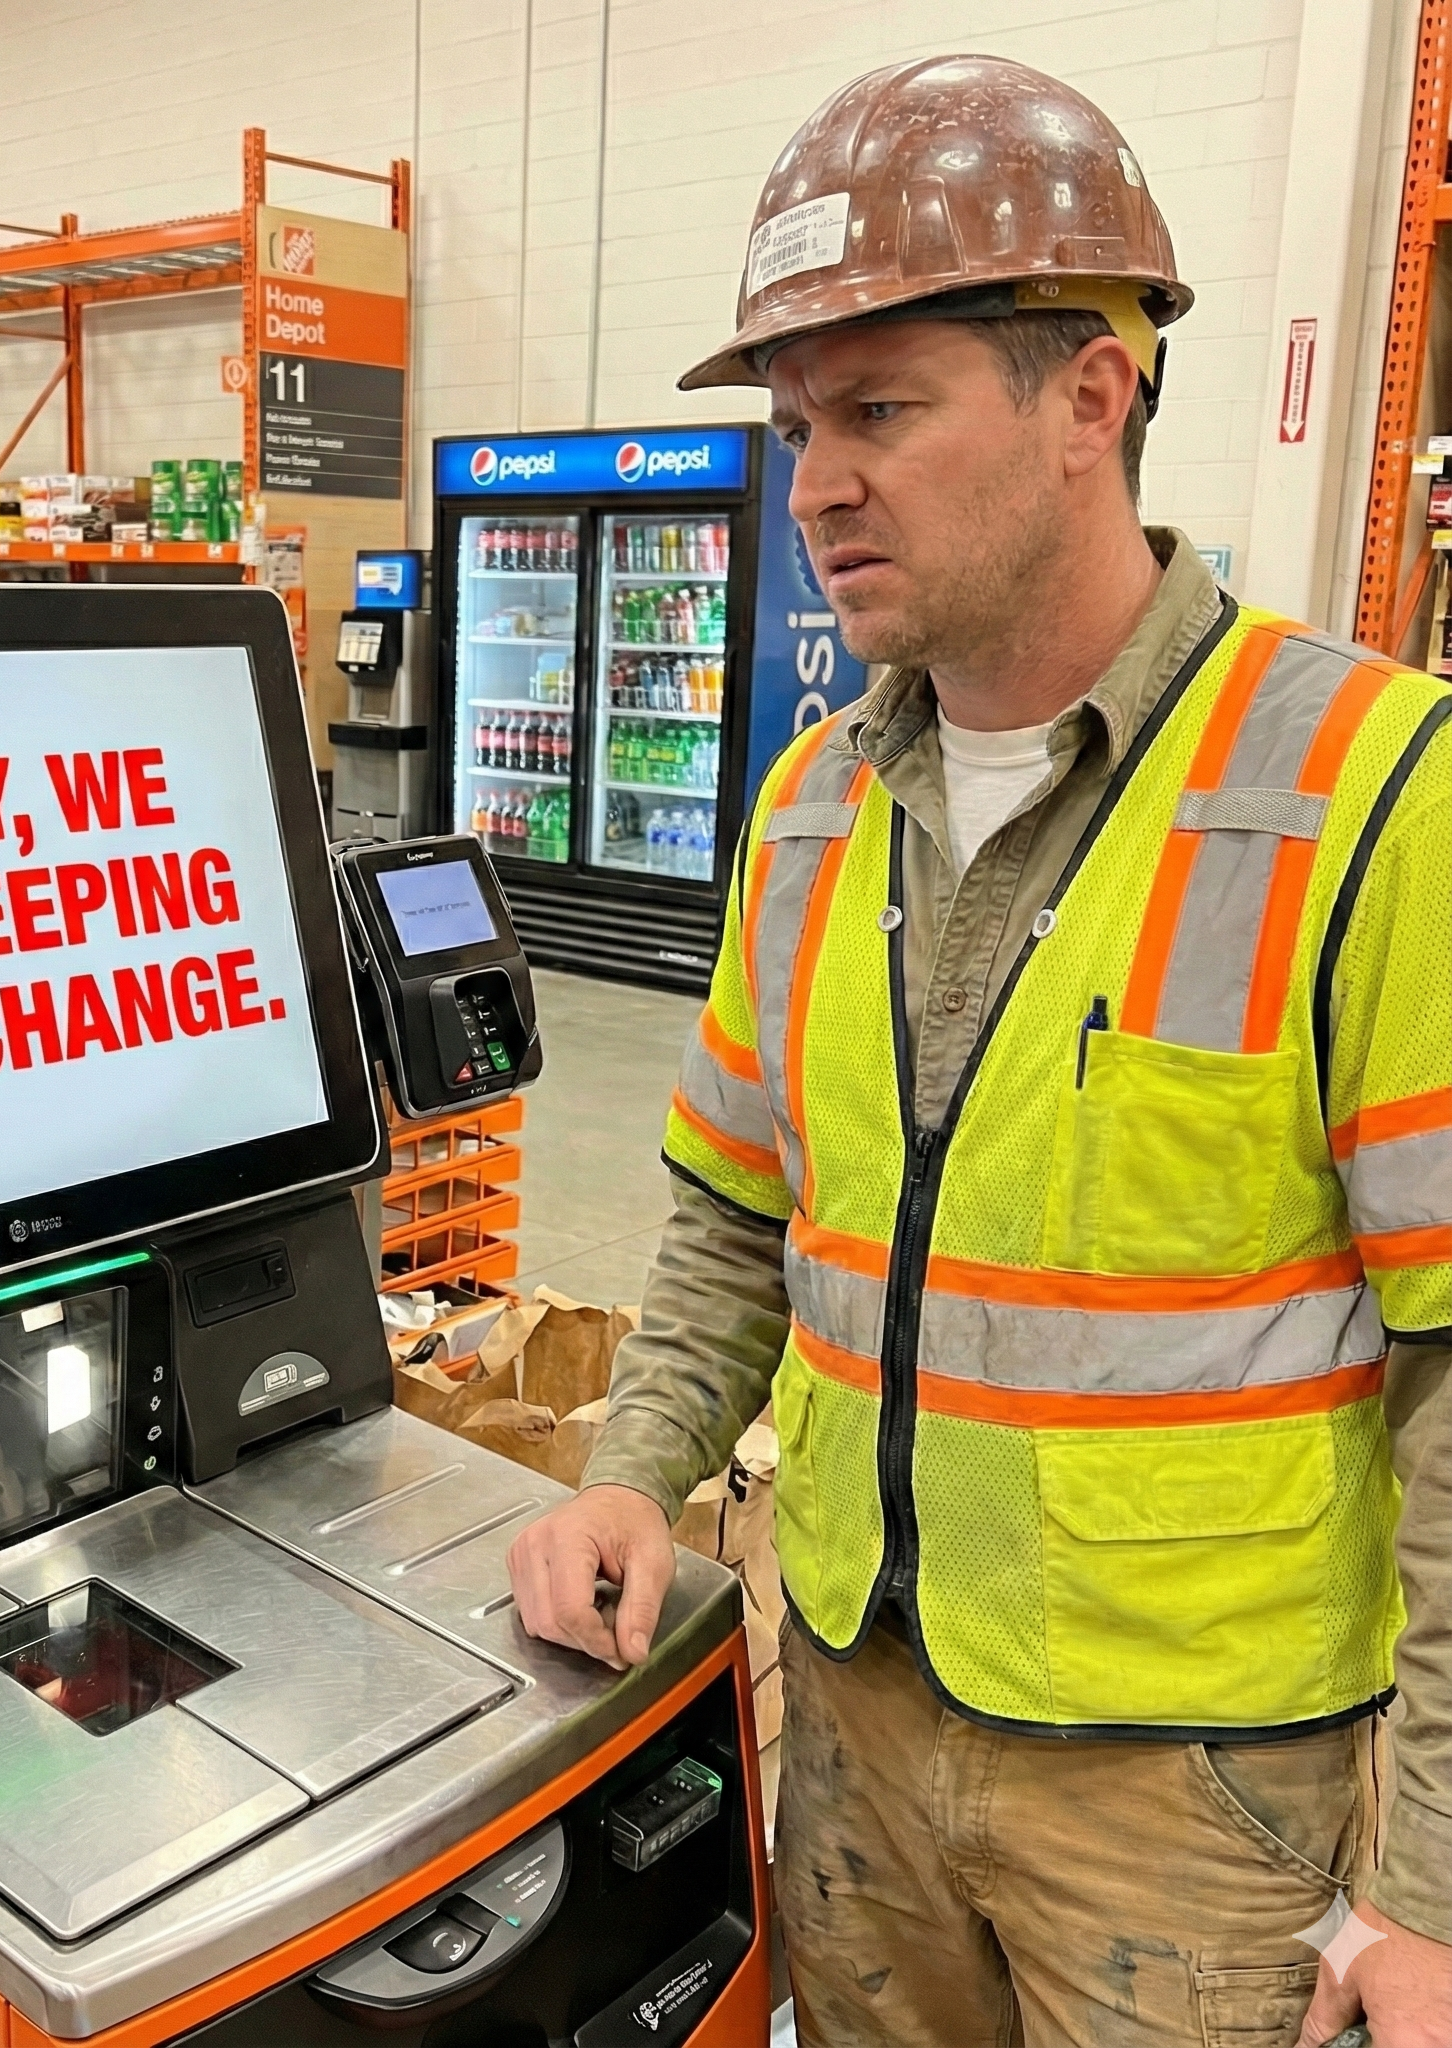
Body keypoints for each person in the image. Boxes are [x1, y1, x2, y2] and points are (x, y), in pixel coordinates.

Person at [507, 54, 1452, 2048]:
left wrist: (1429, 1887)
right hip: (847, 1714)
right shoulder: (803, 814)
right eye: (790, 426)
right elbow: (727, 1225)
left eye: (878, 411)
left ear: (1086, 401)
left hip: (1192, 1804)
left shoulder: (1368, 794)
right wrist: (633, 1470)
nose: (815, 484)